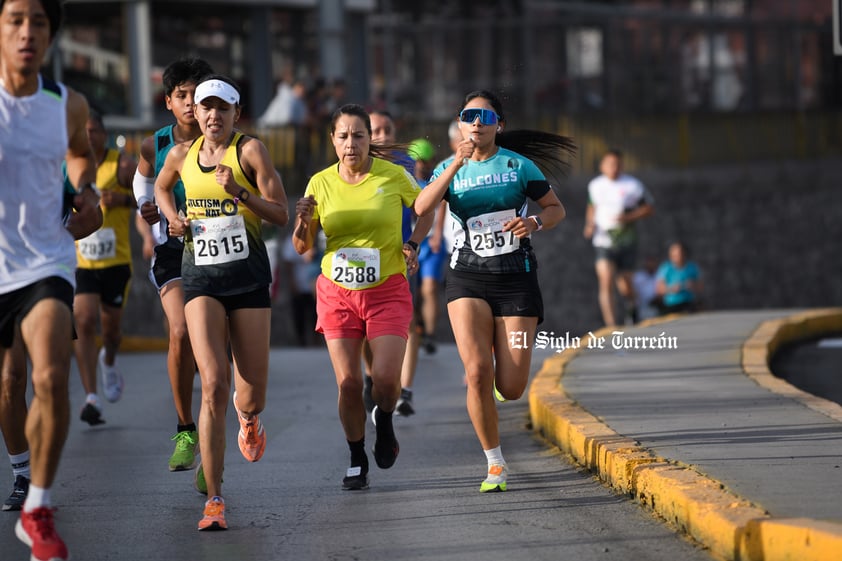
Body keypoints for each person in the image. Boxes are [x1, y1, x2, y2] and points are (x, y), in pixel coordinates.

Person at [413, 89, 573, 493]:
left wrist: (535, 223)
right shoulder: (450, 167)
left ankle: (498, 394)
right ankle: (495, 463)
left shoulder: (519, 166)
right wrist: (453, 167)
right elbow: (421, 207)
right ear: (460, 125)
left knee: (512, 386)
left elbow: (556, 209)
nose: (477, 123)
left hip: (516, 277)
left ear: (498, 125)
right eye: (470, 116)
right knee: (476, 372)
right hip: (467, 276)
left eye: (485, 117)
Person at [155, 74, 289, 531]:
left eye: (221, 108)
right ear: (196, 112)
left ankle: (248, 417)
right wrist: (173, 218)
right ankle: (214, 498)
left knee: (250, 394)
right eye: (205, 107)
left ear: (237, 115)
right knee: (212, 384)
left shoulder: (249, 151)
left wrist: (239, 193)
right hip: (200, 280)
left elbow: (281, 214)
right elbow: (159, 188)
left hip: (248, 280)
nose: (212, 115)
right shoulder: (180, 155)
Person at [0, 0, 102, 558]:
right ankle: (21, 464)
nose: (26, 32)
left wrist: (83, 193)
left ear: (51, 35)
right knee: (9, 386)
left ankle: (37, 506)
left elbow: (80, 156)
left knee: (48, 377)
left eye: (38, 22)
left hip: (46, 260)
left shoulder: (67, 104)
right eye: (15, 19)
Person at [293, 104, 423, 491]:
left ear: (369, 139)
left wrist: (413, 242)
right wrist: (302, 220)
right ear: (333, 140)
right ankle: (355, 456)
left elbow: (426, 207)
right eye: (343, 136)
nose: (351, 144)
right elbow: (302, 247)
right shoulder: (319, 183)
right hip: (337, 292)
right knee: (349, 382)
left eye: (359, 135)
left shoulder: (394, 175)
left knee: (384, 378)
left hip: (386, 289)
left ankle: (383, 419)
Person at [133, 56, 214, 473]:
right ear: (169, 101)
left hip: (220, 251)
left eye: (196, 95)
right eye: (181, 95)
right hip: (173, 250)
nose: (189, 103)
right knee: (182, 331)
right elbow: (143, 181)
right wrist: (146, 209)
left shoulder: (227, 141)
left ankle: (212, 444)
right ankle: (185, 430)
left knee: (214, 351)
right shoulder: (156, 143)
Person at [71, 109, 138, 426]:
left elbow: (148, 194)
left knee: (110, 331)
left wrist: (121, 200)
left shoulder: (121, 163)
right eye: (82, 131)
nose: (88, 136)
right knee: (82, 320)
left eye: (93, 130)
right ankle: (91, 397)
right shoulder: (71, 166)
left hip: (116, 262)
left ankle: (108, 360)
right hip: (82, 261)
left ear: (102, 132)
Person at [364, 110, 432, 417]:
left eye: (386, 129)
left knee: (409, 320)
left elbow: (422, 206)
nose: (381, 136)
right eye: (374, 130)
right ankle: (370, 376)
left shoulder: (406, 164)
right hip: (361, 259)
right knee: (365, 325)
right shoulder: (350, 162)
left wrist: (414, 243)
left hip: (400, 256)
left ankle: (405, 388)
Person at [583, 149, 655, 327]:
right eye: (609, 164)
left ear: (622, 166)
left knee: (625, 285)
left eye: (617, 164)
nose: (613, 168)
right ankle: (611, 325)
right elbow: (592, 207)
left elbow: (648, 208)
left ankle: (633, 305)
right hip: (603, 239)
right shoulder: (595, 185)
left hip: (626, 240)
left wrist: (628, 218)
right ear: (602, 166)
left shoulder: (633, 185)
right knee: (605, 278)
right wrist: (589, 224)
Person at [407, 138, 447, 357]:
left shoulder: (436, 179)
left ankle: (430, 335)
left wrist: (438, 234)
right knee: (413, 293)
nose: (423, 165)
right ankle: (418, 326)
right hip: (409, 243)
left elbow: (442, 205)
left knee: (429, 288)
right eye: (419, 160)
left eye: (427, 160)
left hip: (431, 243)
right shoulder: (404, 180)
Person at [281, 234, 320, 346]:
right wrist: (292, 283)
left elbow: (311, 257)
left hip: (313, 284)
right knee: (299, 314)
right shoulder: (291, 240)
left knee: (315, 314)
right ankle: (301, 341)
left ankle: (315, 341)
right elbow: (289, 263)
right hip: (299, 283)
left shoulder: (315, 237)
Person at [656, 241, 702, 314]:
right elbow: (659, 289)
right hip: (671, 304)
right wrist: (671, 289)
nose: (678, 257)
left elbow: (700, 287)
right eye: (676, 255)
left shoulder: (692, 267)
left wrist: (693, 285)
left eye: (680, 254)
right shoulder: (666, 268)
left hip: (688, 303)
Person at [631, 253, 663, 322]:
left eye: (652, 262)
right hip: (642, 307)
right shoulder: (638, 276)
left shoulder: (660, 275)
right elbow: (634, 293)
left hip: (657, 306)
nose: (651, 264)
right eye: (649, 262)